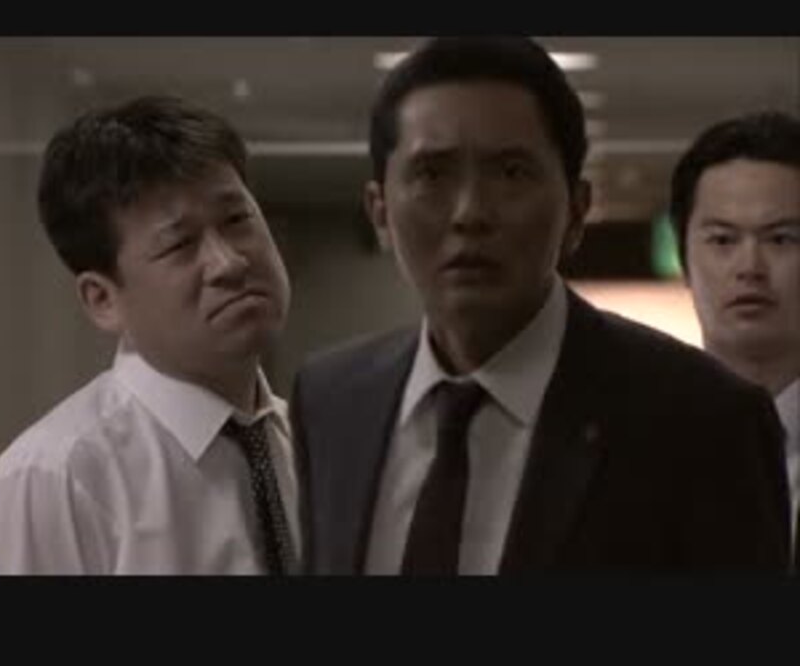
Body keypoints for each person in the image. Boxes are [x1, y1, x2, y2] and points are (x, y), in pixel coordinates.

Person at [290, 37, 791, 574]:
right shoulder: (333, 403)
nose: (470, 213)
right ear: (380, 211)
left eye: (511, 173)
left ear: (576, 209)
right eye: (432, 174)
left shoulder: (702, 419)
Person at [0, 94, 299, 574]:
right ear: (103, 299)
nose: (229, 262)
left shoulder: (309, 444)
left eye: (236, 220)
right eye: (180, 244)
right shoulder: (57, 475)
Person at [670, 110, 800, 571]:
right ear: (684, 258)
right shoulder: (627, 443)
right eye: (723, 241)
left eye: (781, 240)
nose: (750, 268)